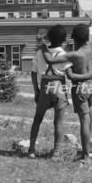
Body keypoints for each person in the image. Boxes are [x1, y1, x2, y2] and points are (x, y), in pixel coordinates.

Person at [42, 23, 92, 164]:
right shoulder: (89, 46)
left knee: (84, 120)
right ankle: (89, 143)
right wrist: (91, 74)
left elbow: (50, 60)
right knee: (90, 111)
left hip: (81, 88)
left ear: (75, 39)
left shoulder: (74, 54)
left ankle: (86, 156)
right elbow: (91, 30)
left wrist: (43, 46)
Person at [27, 24, 72, 159]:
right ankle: (56, 153)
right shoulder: (64, 54)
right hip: (58, 88)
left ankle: (31, 150)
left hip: (44, 89)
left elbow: (34, 73)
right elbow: (69, 73)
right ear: (64, 39)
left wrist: (36, 91)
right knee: (58, 122)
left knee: (37, 119)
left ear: (49, 38)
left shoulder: (41, 52)